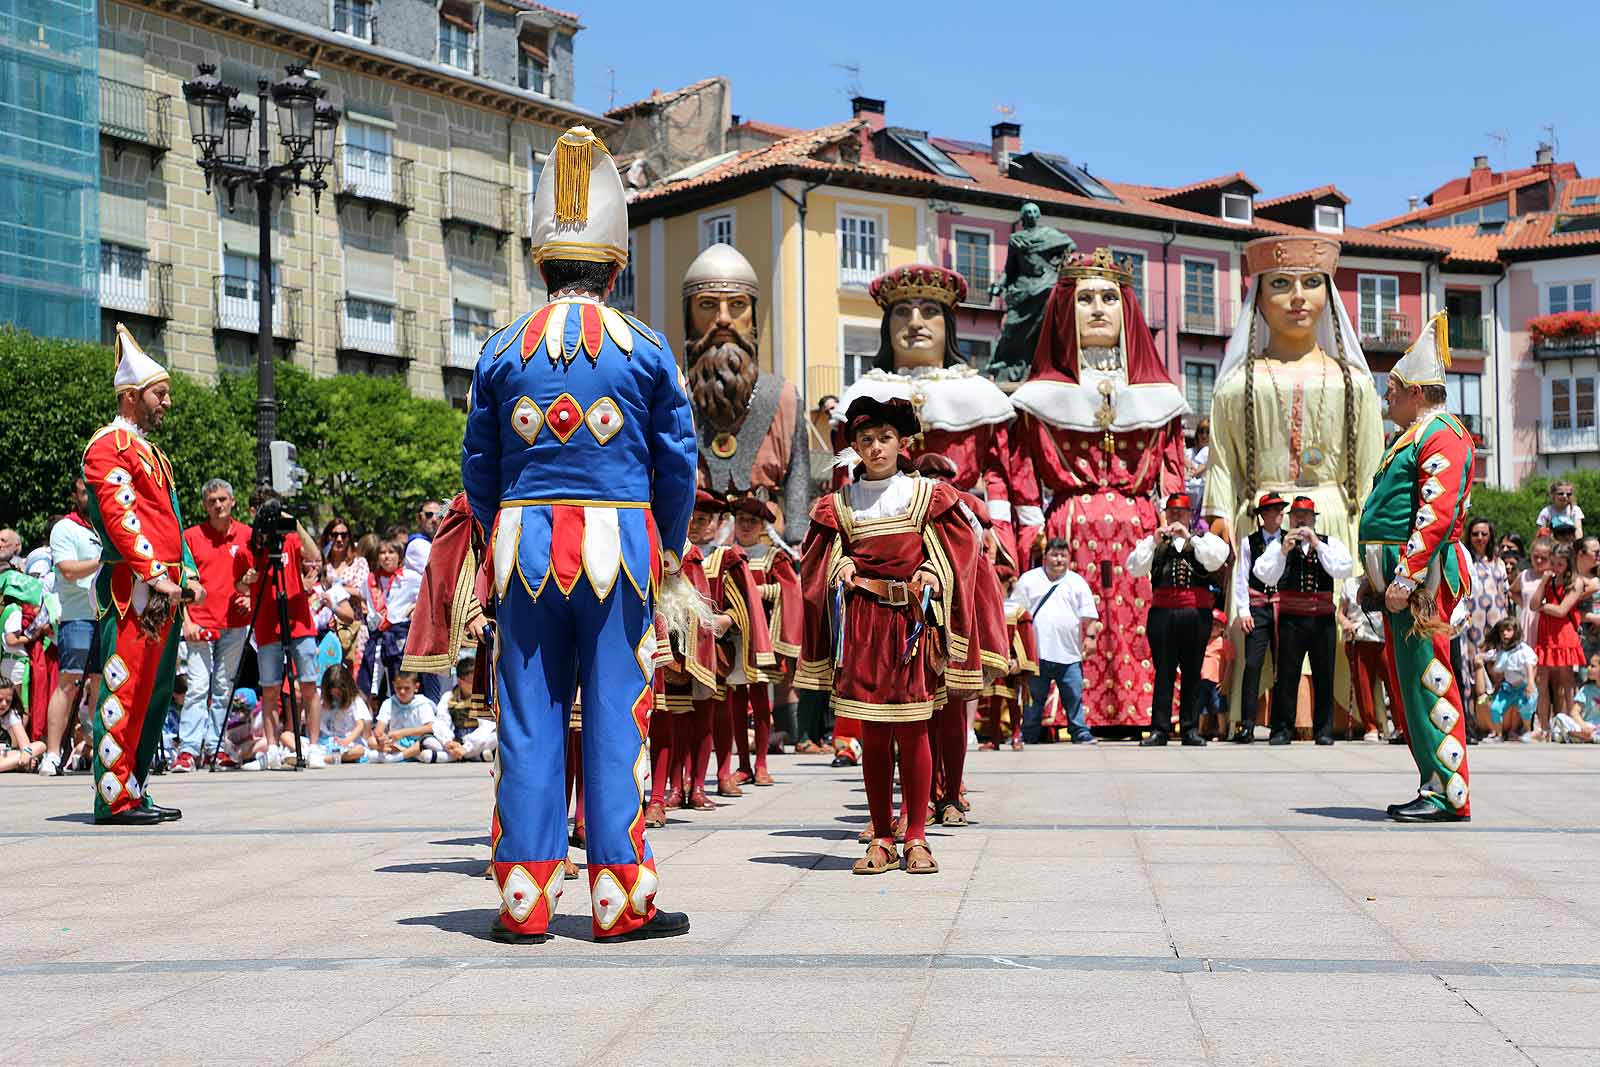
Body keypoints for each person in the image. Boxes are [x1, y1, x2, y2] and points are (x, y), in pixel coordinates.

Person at [461, 125, 697, 944]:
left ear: (541, 261)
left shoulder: (499, 351)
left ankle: (524, 898)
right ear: (614, 262)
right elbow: (678, 460)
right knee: (614, 714)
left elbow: (479, 467)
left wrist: (497, 539)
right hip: (621, 553)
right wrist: (667, 547)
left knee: (527, 715)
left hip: (523, 550)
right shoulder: (646, 350)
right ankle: (619, 895)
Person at [1204, 236, 1384, 732]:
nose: (1298, 297)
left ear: (1328, 295)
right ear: (1259, 297)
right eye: (1281, 285)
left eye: (1311, 284)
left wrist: (1373, 535)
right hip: (1261, 516)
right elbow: (1222, 465)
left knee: (1328, 622)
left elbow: (1369, 469)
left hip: (1333, 516)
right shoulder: (1237, 384)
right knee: (1262, 624)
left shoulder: (1357, 383)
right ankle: (1258, 715)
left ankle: (1337, 716)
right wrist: (1219, 517)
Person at [797, 396, 981, 876]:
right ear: (854, 447)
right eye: (865, 440)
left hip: (911, 627)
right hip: (861, 625)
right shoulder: (837, 504)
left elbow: (962, 551)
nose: (875, 448)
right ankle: (881, 838)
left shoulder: (927, 495)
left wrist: (933, 572)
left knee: (915, 729)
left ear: (903, 443)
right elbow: (817, 561)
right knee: (874, 735)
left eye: (884, 439)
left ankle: (917, 837)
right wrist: (838, 566)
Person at [1010, 249, 1190, 730]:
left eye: (1110, 297)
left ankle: (1147, 712)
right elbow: (1024, 475)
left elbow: (1172, 473)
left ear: (1125, 309)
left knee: (1140, 620)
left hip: (1140, 531)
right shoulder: (1038, 398)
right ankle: (1065, 714)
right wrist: (1028, 537)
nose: (1097, 308)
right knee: (1067, 621)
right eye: (1084, 298)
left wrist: (1177, 530)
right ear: (1065, 311)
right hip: (1067, 531)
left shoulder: (1160, 399)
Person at [80, 326, 202, 824]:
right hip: (134, 589)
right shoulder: (107, 446)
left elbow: (170, 520)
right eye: (160, 394)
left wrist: (187, 571)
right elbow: (121, 516)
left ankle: (134, 786)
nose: (167, 403)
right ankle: (113, 797)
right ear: (131, 396)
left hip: (161, 591)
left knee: (153, 691)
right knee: (125, 685)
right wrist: (156, 574)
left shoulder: (154, 454)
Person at [1359, 313, 1474, 822]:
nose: (1387, 399)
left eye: (1393, 390)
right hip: (1405, 583)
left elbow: (1436, 510)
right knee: (1410, 685)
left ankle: (1448, 792)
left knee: (1429, 679)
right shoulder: (1414, 433)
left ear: (1415, 391)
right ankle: (1432, 781)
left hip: (1422, 583)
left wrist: (1405, 576)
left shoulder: (1442, 432)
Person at [683, 242, 811, 542]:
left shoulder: (782, 397)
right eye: (707, 305)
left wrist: (796, 545)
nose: (724, 318)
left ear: (752, 315)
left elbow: (798, 480)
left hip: (765, 549)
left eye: (737, 305)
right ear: (688, 315)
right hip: (693, 547)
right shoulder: (673, 396)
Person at [1126, 493, 1229, 746]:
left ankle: (1190, 729)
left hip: (1195, 614)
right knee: (1164, 672)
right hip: (1163, 613)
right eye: (1171, 512)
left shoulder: (1204, 541)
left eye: (1180, 513)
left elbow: (1217, 559)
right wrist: (1153, 541)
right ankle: (1160, 729)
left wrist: (1189, 537)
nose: (1175, 517)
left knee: (1193, 671)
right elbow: (1134, 567)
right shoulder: (1156, 542)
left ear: (1189, 515)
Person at [1250, 496, 1353, 745]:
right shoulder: (1279, 545)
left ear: (1314, 519)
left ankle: (1324, 730)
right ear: (1290, 518)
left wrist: (1317, 544)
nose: (1300, 519)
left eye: (1305, 515)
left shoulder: (1329, 543)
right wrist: (1283, 551)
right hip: (1291, 619)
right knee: (1286, 675)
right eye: (1296, 515)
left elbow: (1342, 569)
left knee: (1323, 674)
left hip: (1322, 619)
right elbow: (1263, 574)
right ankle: (1282, 730)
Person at [169, 478, 252, 772]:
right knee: (197, 687)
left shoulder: (247, 535)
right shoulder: (191, 536)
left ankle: (217, 746)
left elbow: (257, 576)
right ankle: (189, 750)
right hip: (200, 623)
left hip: (234, 623)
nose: (218, 505)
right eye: (212, 500)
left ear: (232, 502)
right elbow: (180, 582)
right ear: (205, 505)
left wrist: (251, 598)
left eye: (222, 499)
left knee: (224, 687)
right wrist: (186, 620)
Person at [243, 489, 324, 769]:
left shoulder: (289, 538)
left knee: (309, 685)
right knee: (270, 690)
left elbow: (314, 555)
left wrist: (293, 522)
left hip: (298, 621)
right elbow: (240, 584)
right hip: (267, 625)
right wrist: (247, 579)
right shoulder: (251, 541)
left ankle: (313, 746)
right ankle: (272, 747)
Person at [726, 492, 800, 787]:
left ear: (761, 526)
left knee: (760, 699)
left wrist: (759, 594)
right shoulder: (726, 554)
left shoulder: (773, 557)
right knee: (735, 698)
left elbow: (789, 591)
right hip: (732, 638)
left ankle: (761, 763)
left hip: (762, 639)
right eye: (741, 520)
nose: (746, 526)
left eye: (752, 521)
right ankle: (742, 764)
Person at [36, 479, 102, 776]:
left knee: (104, 685)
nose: (92, 496)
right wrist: (105, 561)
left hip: (108, 616)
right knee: (69, 683)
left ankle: (104, 752)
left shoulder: (108, 526)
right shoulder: (65, 528)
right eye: (85, 491)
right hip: (77, 616)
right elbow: (67, 570)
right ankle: (52, 753)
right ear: (75, 496)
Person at [1008, 538, 1098, 745]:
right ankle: (1028, 735)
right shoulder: (1029, 579)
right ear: (1045, 556)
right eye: (1054, 555)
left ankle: (1080, 732)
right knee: (1033, 701)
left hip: (1069, 654)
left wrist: (1091, 637)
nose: (1059, 560)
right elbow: (1014, 612)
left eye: (1063, 556)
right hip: (1037, 654)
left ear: (1069, 558)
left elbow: (1089, 614)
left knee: (1074, 697)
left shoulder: (1077, 582)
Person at [1231, 492, 1288, 743]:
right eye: (1274, 510)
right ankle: (1247, 724)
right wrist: (1243, 611)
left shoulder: (1290, 539)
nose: (1279, 515)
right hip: (1258, 605)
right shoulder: (1249, 542)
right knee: (1252, 664)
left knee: (1283, 666)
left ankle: (1281, 726)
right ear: (1263, 516)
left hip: (1283, 605)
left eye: (1280, 510)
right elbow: (1241, 577)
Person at [1533, 542, 1588, 737]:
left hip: (1564, 633)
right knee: (1542, 680)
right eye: (1553, 563)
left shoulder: (1576, 582)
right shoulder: (1549, 580)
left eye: (1560, 564)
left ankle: (1568, 721)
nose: (1555, 568)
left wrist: (1544, 607)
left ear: (1569, 563)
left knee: (1567, 680)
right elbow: (1533, 604)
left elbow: (1562, 610)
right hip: (1546, 633)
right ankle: (1544, 726)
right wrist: (1542, 582)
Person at [1461, 517, 1508, 713]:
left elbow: (1505, 593)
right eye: (1475, 534)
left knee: (1497, 668)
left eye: (1484, 534)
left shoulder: (1498, 562)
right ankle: (1475, 718)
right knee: (1473, 668)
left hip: (1497, 622)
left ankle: (1496, 719)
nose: (1480, 538)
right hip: (1472, 622)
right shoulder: (1465, 559)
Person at [1339, 577, 1389, 741]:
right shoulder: (1351, 584)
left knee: (1394, 682)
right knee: (1363, 685)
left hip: (1383, 638)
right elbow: (1340, 613)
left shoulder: (1385, 581)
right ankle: (1371, 727)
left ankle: (1400, 725)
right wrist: (1346, 623)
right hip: (1359, 638)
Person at [1481, 617, 1537, 742]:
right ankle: (1499, 734)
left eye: (1508, 630)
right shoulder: (1502, 650)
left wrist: (1531, 683)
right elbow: (1491, 655)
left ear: (1515, 632)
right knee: (1495, 708)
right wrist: (1480, 656)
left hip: (1523, 686)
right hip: (1508, 688)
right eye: (1502, 631)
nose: (1505, 633)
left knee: (1526, 708)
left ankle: (1528, 730)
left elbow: (1530, 666)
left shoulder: (1524, 650)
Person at [370, 671, 444, 762]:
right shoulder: (388, 703)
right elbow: (379, 729)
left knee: (429, 741)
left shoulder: (422, 703)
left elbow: (431, 727)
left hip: (418, 743)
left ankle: (398, 756)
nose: (402, 692)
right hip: (396, 744)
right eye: (398, 688)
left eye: (407, 688)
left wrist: (403, 733)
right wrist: (382, 738)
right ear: (393, 685)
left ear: (416, 687)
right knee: (371, 741)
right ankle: (412, 754)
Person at [317, 664, 372, 763]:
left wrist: (348, 740)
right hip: (326, 742)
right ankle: (329, 757)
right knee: (286, 736)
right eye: (331, 690)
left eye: (338, 692)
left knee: (359, 750)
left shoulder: (355, 701)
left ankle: (327, 759)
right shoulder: (323, 702)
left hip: (348, 743)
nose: (334, 693)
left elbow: (360, 725)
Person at [0, 679, 46, 772]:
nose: (4, 704)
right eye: (0, 699)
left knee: (40, 745)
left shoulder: (11, 714)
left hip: (4, 754)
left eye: (8, 701)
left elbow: (25, 746)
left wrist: (27, 755)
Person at [1186, 417, 1212, 519]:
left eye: (1208, 432)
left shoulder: (1210, 452)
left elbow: (1194, 473)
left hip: (1203, 505)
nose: (1204, 436)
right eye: (1201, 431)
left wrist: (1192, 472)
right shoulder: (1188, 453)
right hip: (1188, 502)